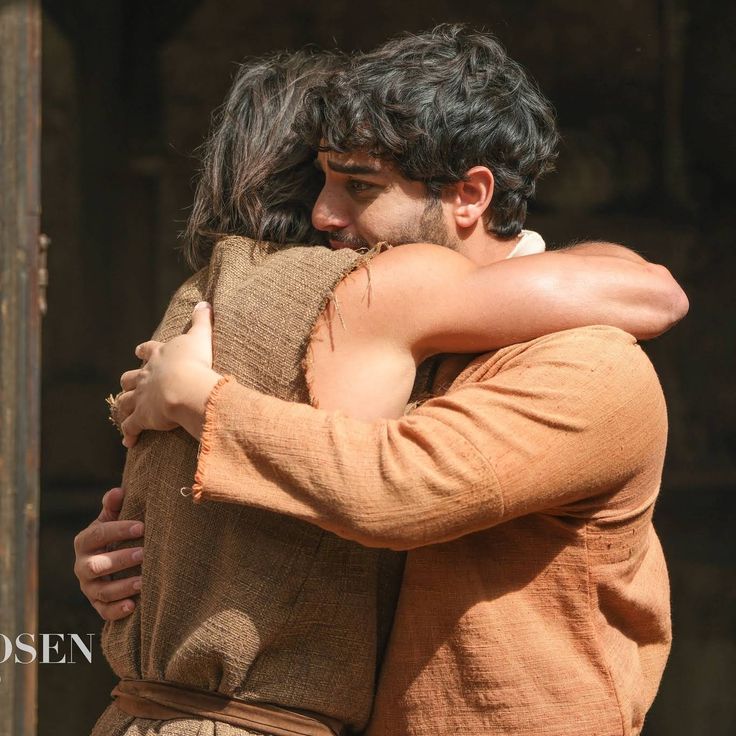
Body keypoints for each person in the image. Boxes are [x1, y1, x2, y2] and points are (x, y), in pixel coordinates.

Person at [76, 26, 687, 736]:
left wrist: (200, 403)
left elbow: (393, 489)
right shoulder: (390, 328)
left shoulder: (586, 365)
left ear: (469, 196)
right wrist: (143, 562)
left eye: (359, 186)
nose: (323, 215)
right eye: (325, 179)